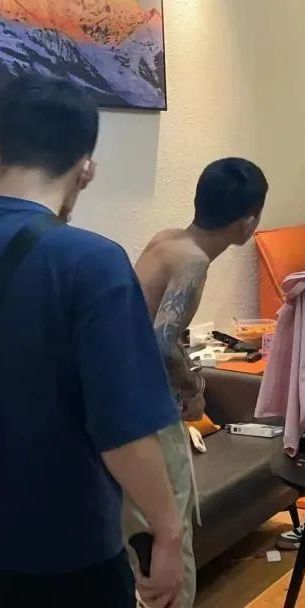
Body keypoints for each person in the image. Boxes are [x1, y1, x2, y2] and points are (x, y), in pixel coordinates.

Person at [0, 75, 186, 607]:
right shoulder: (90, 262)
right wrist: (168, 532)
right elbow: (123, 433)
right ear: (86, 168)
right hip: (60, 554)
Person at [131, 157, 269, 606]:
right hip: (146, 412)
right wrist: (193, 392)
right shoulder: (193, 263)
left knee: (140, 538)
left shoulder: (166, 240)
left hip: (122, 402)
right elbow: (159, 342)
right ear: (248, 224)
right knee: (171, 535)